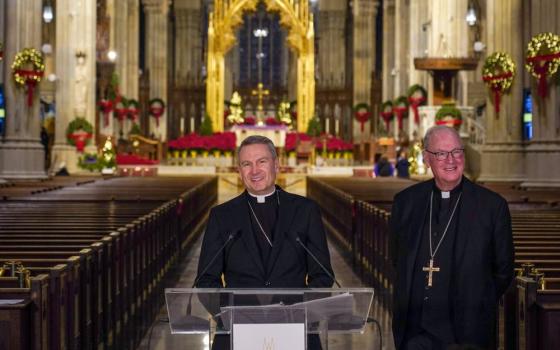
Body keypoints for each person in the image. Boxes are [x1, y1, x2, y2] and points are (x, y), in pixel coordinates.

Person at [196, 135, 335, 349]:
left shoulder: (305, 211)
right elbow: (206, 280)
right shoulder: (222, 216)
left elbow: (323, 275)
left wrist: (300, 313)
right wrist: (229, 316)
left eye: (262, 161)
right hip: (236, 329)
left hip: (296, 327)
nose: (254, 171)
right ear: (239, 170)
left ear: (276, 164)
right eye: (246, 164)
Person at [389, 125, 514, 349]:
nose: (451, 160)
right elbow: (397, 259)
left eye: (457, 151)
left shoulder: (492, 206)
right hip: (415, 334)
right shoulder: (406, 203)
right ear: (427, 158)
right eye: (441, 153)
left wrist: (478, 300)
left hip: (468, 335)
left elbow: (503, 271)